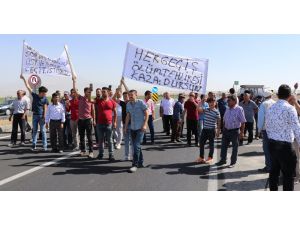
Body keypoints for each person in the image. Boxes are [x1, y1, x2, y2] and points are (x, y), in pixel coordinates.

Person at [266, 84, 300, 191]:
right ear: (290, 96)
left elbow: (267, 126)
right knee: (288, 176)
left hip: (272, 144)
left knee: (273, 173)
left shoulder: (271, 107)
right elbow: (297, 129)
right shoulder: (290, 109)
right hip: (285, 147)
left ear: (277, 94)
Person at [20, 74, 48, 151]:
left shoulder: (45, 99)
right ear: (40, 92)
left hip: (41, 116)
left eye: (45, 93)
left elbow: (45, 107)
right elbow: (28, 87)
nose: (45, 94)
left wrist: (44, 116)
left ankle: (44, 146)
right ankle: (33, 145)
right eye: (44, 93)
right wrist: (23, 78)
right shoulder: (35, 95)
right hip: (35, 115)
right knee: (34, 130)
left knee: (43, 131)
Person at [217, 95, 246, 168]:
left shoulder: (239, 109)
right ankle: (223, 160)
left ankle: (233, 162)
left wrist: (242, 133)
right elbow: (224, 119)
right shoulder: (227, 108)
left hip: (235, 131)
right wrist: (223, 129)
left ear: (234, 101)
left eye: (229, 100)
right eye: (227, 100)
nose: (227, 102)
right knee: (223, 146)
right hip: (226, 130)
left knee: (234, 147)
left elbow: (243, 122)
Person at [125, 90, 148, 173]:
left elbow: (147, 113)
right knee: (137, 146)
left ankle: (134, 165)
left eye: (132, 95)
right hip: (132, 128)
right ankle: (141, 162)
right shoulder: (128, 104)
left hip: (140, 128)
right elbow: (128, 115)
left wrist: (145, 124)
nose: (130, 96)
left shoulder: (140, 103)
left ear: (136, 95)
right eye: (129, 95)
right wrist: (125, 127)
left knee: (136, 146)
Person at [72, 76, 95, 158]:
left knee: (89, 136)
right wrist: (74, 81)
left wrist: (90, 90)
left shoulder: (90, 99)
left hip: (88, 120)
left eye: (89, 92)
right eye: (87, 92)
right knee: (81, 136)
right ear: (84, 92)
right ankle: (83, 150)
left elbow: (90, 99)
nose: (88, 93)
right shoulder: (80, 98)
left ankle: (91, 152)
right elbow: (75, 90)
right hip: (81, 120)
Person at [196, 97, 221, 164]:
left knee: (211, 145)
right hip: (205, 129)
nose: (212, 103)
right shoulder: (206, 109)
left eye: (213, 102)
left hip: (211, 130)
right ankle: (201, 157)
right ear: (208, 103)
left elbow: (219, 121)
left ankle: (210, 157)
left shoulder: (216, 112)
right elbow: (198, 109)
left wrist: (218, 131)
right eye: (210, 102)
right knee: (201, 143)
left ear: (215, 103)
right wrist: (201, 102)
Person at [96, 87, 117, 161]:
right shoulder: (98, 100)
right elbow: (89, 100)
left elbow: (115, 112)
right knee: (100, 140)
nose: (103, 93)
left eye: (104, 91)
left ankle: (111, 155)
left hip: (109, 124)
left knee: (110, 140)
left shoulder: (112, 101)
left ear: (108, 92)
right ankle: (101, 154)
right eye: (102, 91)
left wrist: (114, 122)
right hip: (100, 124)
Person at [257, 91, 275, 173]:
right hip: (275, 130)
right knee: (273, 149)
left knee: (266, 149)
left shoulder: (263, 104)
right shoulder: (275, 103)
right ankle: (274, 166)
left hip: (266, 130)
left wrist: (259, 129)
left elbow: (261, 118)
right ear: (271, 95)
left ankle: (269, 167)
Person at [120, 78, 133, 160]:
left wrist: (124, 83)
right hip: (125, 124)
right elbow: (117, 94)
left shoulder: (130, 103)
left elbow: (129, 92)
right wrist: (120, 84)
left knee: (132, 141)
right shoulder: (121, 103)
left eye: (126, 96)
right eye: (124, 96)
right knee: (126, 142)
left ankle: (132, 156)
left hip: (132, 124)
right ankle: (126, 156)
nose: (125, 97)